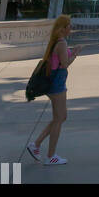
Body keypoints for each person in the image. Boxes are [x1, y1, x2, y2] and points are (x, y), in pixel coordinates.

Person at [27, 15, 79, 166]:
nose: (71, 28)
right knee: (59, 119)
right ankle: (50, 156)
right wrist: (75, 54)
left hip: (55, 84)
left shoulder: (57, 41)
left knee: (60, 117)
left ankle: (36, 145)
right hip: (57, 85)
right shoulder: (61, 43)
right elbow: (65, 64)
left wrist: (72, 51)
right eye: (69, 25)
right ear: (62, 29)